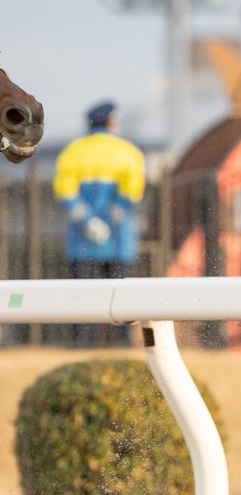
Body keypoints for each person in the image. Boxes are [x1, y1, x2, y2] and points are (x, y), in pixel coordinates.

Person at [53, 101, 146, 344]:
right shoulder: (127, 151)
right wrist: (109, 220)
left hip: (82, 239)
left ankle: (83, 344)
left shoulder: (73, 151)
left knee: (83, 295)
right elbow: (133, 192)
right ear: (112, 122)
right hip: (118, 238)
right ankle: (121, 343)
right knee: (120, 294)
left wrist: (89, 221)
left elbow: (65, 191)